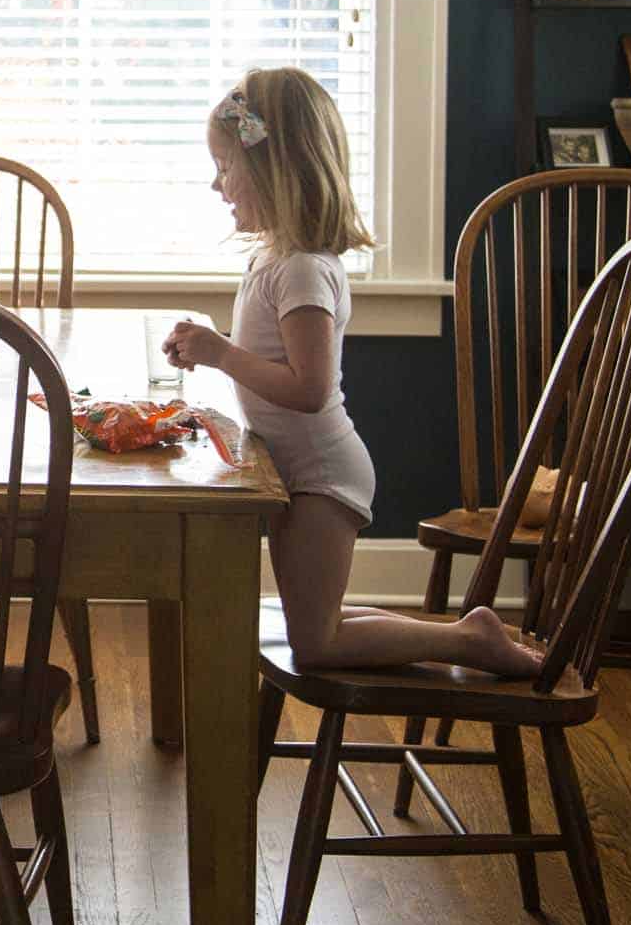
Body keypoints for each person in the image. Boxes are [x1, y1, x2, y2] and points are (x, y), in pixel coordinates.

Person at [163, 68, 541, 677]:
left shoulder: (304, 270)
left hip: (320, 476)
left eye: (226, 167)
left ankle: (470, 644)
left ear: (274, 170)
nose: (216, 184)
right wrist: (218, 351)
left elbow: (310, 390)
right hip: (304, 471)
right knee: (317, 623)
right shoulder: (279, 259)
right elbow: (282, 365)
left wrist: (222, 352)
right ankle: (469, 631)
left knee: (316, 644)